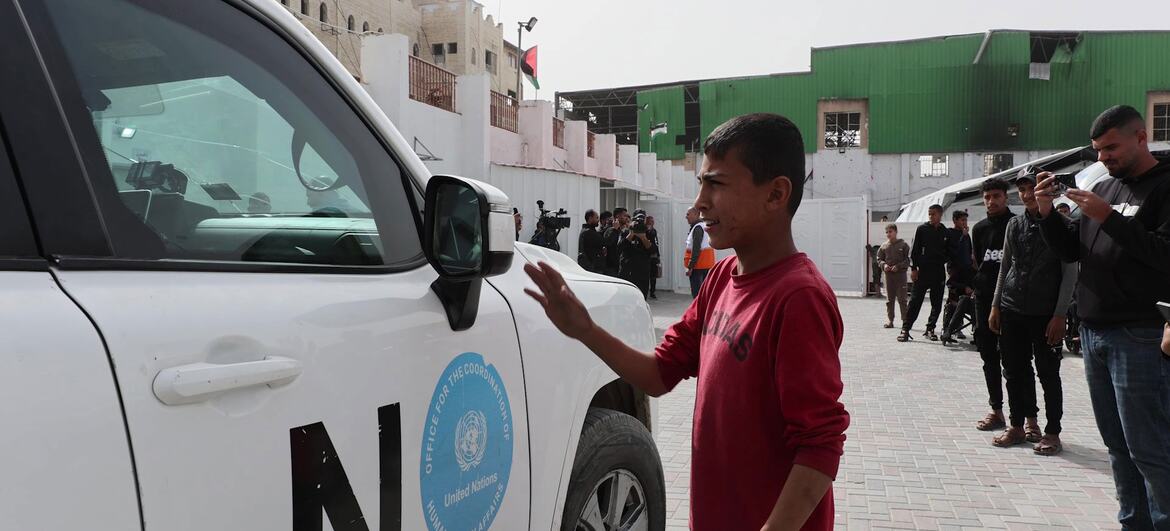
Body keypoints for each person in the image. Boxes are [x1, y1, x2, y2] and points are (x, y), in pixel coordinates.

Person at [523, 113, 848, 530]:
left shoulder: (798, 298)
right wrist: (584, 328)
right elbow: (659, 374)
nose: (698, 204)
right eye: (701, 184)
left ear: (775, 194)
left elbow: (819, 446)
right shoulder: (718, 281)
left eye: (716, 184)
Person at [1036, 105, 1170, 529]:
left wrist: (1107, 217)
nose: (1103, 158)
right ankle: (1133, 522)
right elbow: (1072, 249)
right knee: (1117, 446)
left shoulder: (1165, 188)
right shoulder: (1107, 188)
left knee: (1149, 448)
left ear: (1141, 137)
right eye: (1098, 150)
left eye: (1111, 147)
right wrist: (1044, 212)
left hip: (1140, 334)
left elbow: (1163, 255)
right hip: (1095, 335)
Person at [988, 171, 1077, 456]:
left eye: (1033, 189)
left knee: (1048, 373)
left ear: (1048, 193)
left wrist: (1060, 314)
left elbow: (1070, 272)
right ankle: (1018, 425)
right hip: (1013, 308)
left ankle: (1052, 432)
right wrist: (996, 305)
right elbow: (1006, 267)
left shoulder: (1063, 225)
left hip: (1046, 313)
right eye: (1024, 190)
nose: (1028, 195)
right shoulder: (1014, 225)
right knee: (1014, 371)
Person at [971, 177, 1014, 432]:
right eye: (987, 197)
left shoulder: (1015, 224)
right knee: (989, 357)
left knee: (1012, 360)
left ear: (1006, 197)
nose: (991, 201)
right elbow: (981, 263)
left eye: (996, 196)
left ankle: (1021, 417)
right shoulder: (979, 229)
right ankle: (996, 411)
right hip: (984, 299)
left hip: (1011, 303)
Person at [898, 204, 948, 342]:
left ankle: (930, 329)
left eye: (933, 214)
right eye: (929, 214)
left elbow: (949, 251)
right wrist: (914, 269)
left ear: (940, 214)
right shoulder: (922, 229)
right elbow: (915, 251)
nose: (931, 216)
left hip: (938, 272)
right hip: (923, 272)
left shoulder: (945, 231)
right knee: (915, 301)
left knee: (937, 303)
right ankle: (905, 329)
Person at [940, 210, 975, 344]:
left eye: (965, 221)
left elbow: (970, 251)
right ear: (955, 220)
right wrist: (962, 237)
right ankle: (948, 328)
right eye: (962, 220)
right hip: (955, 271)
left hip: (967, 271)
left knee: (965, 299)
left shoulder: (966, 235)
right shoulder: (950, 233)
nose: (964, 223)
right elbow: (952, 252)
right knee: (953, 300)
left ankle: (961, 327)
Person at [877, 224, 910, 329]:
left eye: (890, 231)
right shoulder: (884, 246)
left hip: (900, 276)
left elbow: (908, 260)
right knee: (889, 300)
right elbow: (879, 259)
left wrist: (899, 266)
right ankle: (890, 320)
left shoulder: (904, 245)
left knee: (902, 299)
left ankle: (905, 321)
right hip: (888, 276)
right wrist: (884, 265)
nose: (888, 234)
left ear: (896, 232)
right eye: (886, 232)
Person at [618, 210, 653, 298]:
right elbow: (619, 248)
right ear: (632, 220)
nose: (639, 223)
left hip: (642, 273)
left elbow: (653, 251)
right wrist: (631, 234)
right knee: (626, 299)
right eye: (637, 220)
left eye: (642, 220)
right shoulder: (626, 232)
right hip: (627, 272)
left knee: (641, 299)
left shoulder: (649, 233)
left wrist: (643, 238)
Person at [683, 207, 715, 298]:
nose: (686, 217)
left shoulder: (697, 228)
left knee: (697, 294)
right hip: (706, 265)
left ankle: (697, 312)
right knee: (704, 294)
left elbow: (696, 248)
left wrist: (691, 266)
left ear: (696, 214)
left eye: (688, 214)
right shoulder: (704, 226)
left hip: (698, 267)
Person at [577, 209, 605, 273]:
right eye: (597, 218)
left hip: (591, 267)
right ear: (590, 218)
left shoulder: (588, 231)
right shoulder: (588, 232)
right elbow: (605, 242)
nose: (598, 220)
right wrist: (614, 229)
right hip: (592, 268)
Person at [602, 208, 627, 277]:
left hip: (619, 266)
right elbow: (607, 242)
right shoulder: (609, 229)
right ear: (617, 216)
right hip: (611, 267)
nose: (626, 218)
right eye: (624, 215)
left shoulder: (622, 230)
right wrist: (615, 230)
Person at [646, 215, 661, 299]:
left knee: (653, 276)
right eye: (650, 221)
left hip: (654, 256)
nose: (652, 222)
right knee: (646, 275)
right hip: (647, 257)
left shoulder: (654, 231)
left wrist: (658, 255)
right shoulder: (645, 231)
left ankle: (652, 292)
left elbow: (656, 244)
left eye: (652, 221)